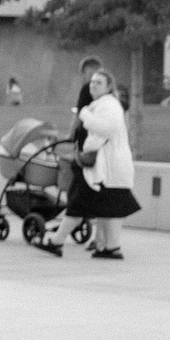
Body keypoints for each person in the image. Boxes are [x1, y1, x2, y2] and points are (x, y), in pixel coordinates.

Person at [45, 67, 138, 258]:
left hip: (105, 168)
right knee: (110, 208)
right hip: (108, 169)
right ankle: (111, 247)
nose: (93, 85)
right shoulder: (107, 104)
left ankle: (57, 242)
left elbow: (105, 129)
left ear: (109, 86)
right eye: (92, 82)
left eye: (99, 82)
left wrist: (85, 114)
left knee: (79, 203)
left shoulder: (108, 105)